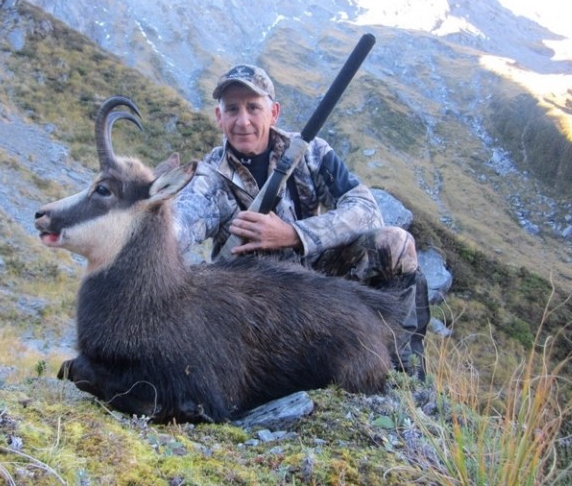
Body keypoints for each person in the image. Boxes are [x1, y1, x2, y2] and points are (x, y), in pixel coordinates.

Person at [172, 64, 429, 378]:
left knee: (395, 244)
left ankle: (404, 371)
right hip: (257, 305)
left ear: (274, 112)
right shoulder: (209, 177)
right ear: (219, 116)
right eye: (232, 109)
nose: (243, 121)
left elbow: (365, 208)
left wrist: (294, 234)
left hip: (322, 283)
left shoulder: (311, 152)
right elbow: (181, 222)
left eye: (253, 107)